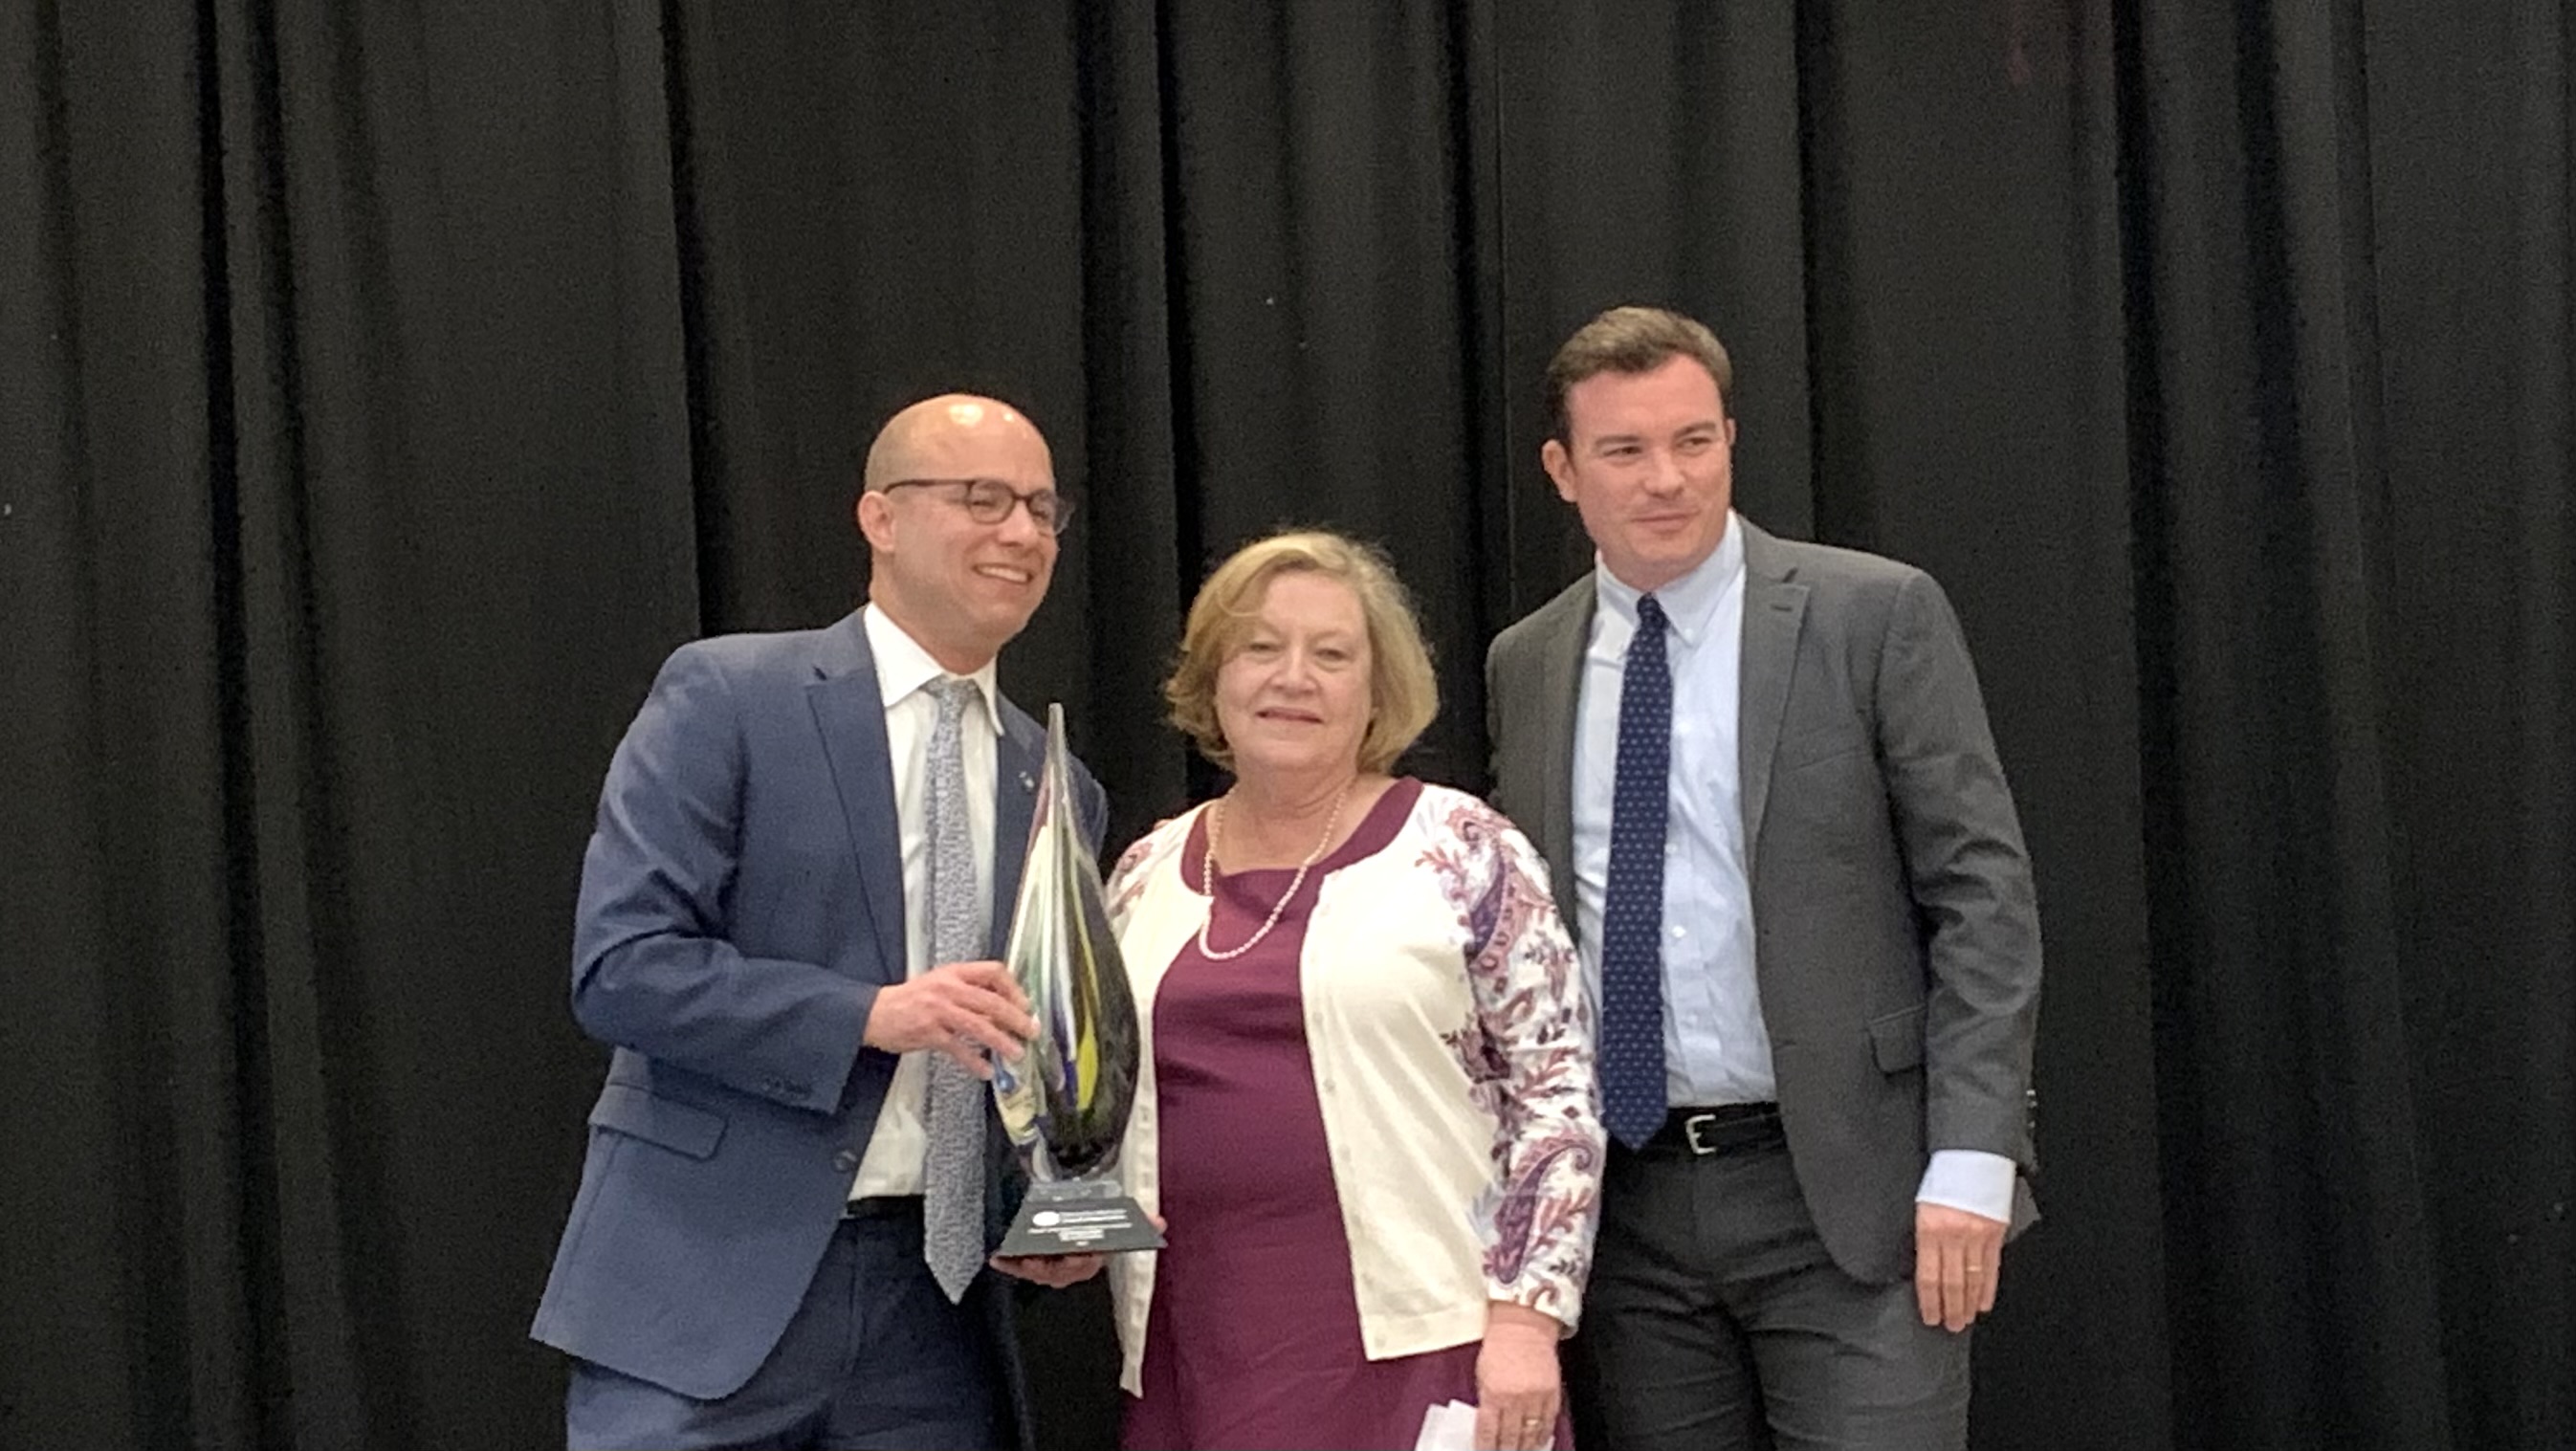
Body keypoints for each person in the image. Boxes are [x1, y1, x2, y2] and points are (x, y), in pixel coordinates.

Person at [1486, 306, 2043, 1451]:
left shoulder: (1869, 613)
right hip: (1629, 1215)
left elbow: (1981, 893)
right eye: (1623, 451)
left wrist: (1976, 1151)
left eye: (1693, 440)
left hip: (1855, 1192)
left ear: (1731, 438)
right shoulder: (1528, 660)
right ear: (1560, 470)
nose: (1665, 479)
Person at [531, 393, 1109, 1450]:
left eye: (1040, 507)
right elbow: (621, 966)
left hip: (932, 1320)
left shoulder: (1057, 781)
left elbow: (1032, 1040)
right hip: (703, 1286)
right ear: (879, 518)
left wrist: (1044, 1208)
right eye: (981, 497)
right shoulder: (728, 694)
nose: (1021, 533)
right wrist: (868, 1013)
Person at [1101, 531, 1604, 1451]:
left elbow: (1557, 1091)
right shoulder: (1144, 869)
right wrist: (1066, 1216)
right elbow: (1091, 1091)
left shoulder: (1462, 848)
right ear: (1215, 675)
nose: (1292, 676)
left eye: (1331, 654)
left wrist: (1527, 1317)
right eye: (1260, 647)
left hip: (1426, 1342)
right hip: (1194, 1342)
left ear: (1377, 690)